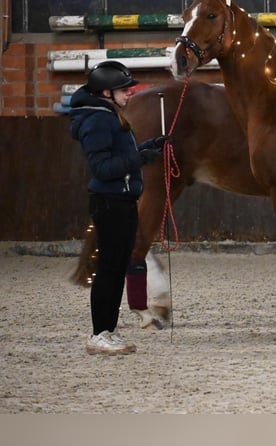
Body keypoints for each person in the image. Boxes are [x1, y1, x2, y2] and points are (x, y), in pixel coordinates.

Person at [69, 60, 169, 355]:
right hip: (110, 202)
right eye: (123, 89)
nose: (130, 93)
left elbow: (119, 157)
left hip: (122, 200)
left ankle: (108, 330)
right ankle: (100, 333)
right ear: (105, 93)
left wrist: (149, 147)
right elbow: (102, 167)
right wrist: (140, 159)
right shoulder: (98, 120)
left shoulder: (110, 115)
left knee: (115, 269)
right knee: (109, 271)